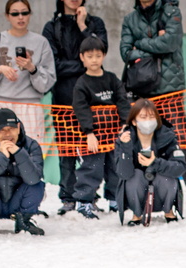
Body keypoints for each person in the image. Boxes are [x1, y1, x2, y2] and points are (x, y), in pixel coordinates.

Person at [120, 0, 186, 213]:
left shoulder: (171, 10)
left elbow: (171, 42)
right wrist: (154, 44)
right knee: (139, 145)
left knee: (182, 143)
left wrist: (140, 44)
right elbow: (124, 52)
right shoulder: (130, 19)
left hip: (171, 92)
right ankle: (141, 196)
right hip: (143, 92)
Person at [43, 0, 108, 215]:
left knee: (92, 150)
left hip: (93, 97)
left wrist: (82, 26)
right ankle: (68, 197)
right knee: (67, 150)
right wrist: (83, 64)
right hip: (63, 98)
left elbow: (101, 50)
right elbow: (53, 64)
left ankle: (90, 195)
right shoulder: (51, 27)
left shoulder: (94, 23)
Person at [0, 0, 57, 156]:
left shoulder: (40, 42)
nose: (20, 17)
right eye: (15, 13)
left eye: (24, 13)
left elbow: (47, 83)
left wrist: (32, 68)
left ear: (29, 14)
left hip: (29, 105)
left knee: (30, 155)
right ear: (7, 16)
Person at [70, 34, 130, 219]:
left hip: (113, 135)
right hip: (93, 137)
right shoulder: (81, 84)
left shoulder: (111, 79)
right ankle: (84, 202)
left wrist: (125, 123)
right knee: (91, 168)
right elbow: (81, 109)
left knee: (116, 166)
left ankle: (114, 200)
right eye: (89, 56)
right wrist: (89, 133)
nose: (94, 60)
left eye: (97, 55)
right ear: (82, 57)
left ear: (104, 55)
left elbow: (122, 100)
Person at [0, 108, 47, 236]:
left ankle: (24, 221)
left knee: (37, 185)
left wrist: (19, 153)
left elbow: (34, 178)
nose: (7, 134)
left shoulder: (31, 145)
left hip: (18, 201)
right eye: (1, 130)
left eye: (11, 128)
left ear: (18, 127)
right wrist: (2, 157)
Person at [113, 98, 186, 224]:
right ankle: (137, 214)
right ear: (134, 121)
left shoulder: (168, 136)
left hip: (161, 193)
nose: (148, 121)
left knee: (166, 176)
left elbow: (180, 167)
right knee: (134, 175)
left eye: (152, 116)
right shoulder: (124, 139)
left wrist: (155, 163)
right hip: (138, 193)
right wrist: (125, 147)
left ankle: (169, 211)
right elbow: (123, 174)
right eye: (143, 117)